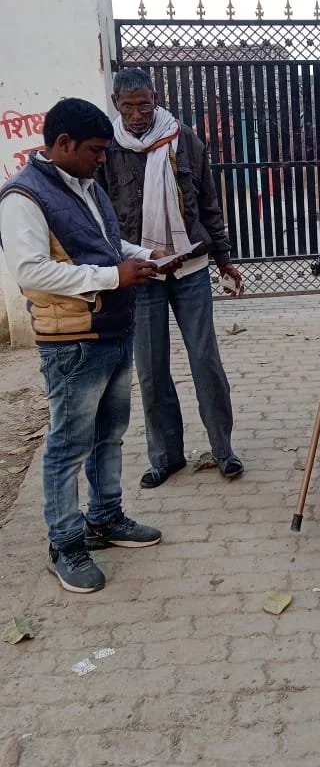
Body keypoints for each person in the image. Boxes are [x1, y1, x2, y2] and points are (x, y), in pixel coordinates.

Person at [0, 99, 168, 593]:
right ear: (63, 144)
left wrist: (143, 256)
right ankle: (65, 542)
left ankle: (105, 516)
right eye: (95, 150)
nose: (102, 159)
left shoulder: (85, 185)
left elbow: (103, 248)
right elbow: (31, 271)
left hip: (111, 328)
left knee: (109, 434)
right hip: (71, 341)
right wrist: (114, 276)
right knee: (67, 445)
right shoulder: (22, 198)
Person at [98, 68, 245, 488]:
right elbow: (105, 219)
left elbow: (208, 202)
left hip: (191, 268)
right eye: (128, 106)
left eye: (144, 104)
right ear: (115, 104)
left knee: (205, 362)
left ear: (156, 98)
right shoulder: (107, 149)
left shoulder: (185, 139)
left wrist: (223, 259)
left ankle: (223, 450)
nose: (137, 114)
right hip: (142, 274)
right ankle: (166, 456)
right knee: (151, 368)